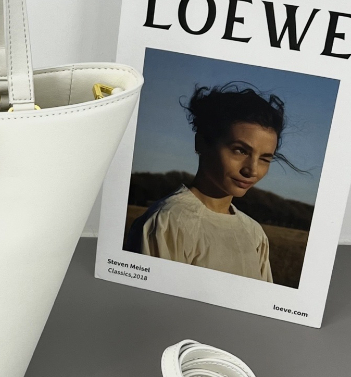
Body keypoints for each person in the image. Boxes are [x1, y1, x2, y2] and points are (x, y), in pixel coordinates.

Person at [125, 84, 299, 283]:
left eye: (264, 159)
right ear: (201, 143)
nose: (252, 170)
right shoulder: (168, 222)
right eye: (240, 150)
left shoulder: (255, 234)